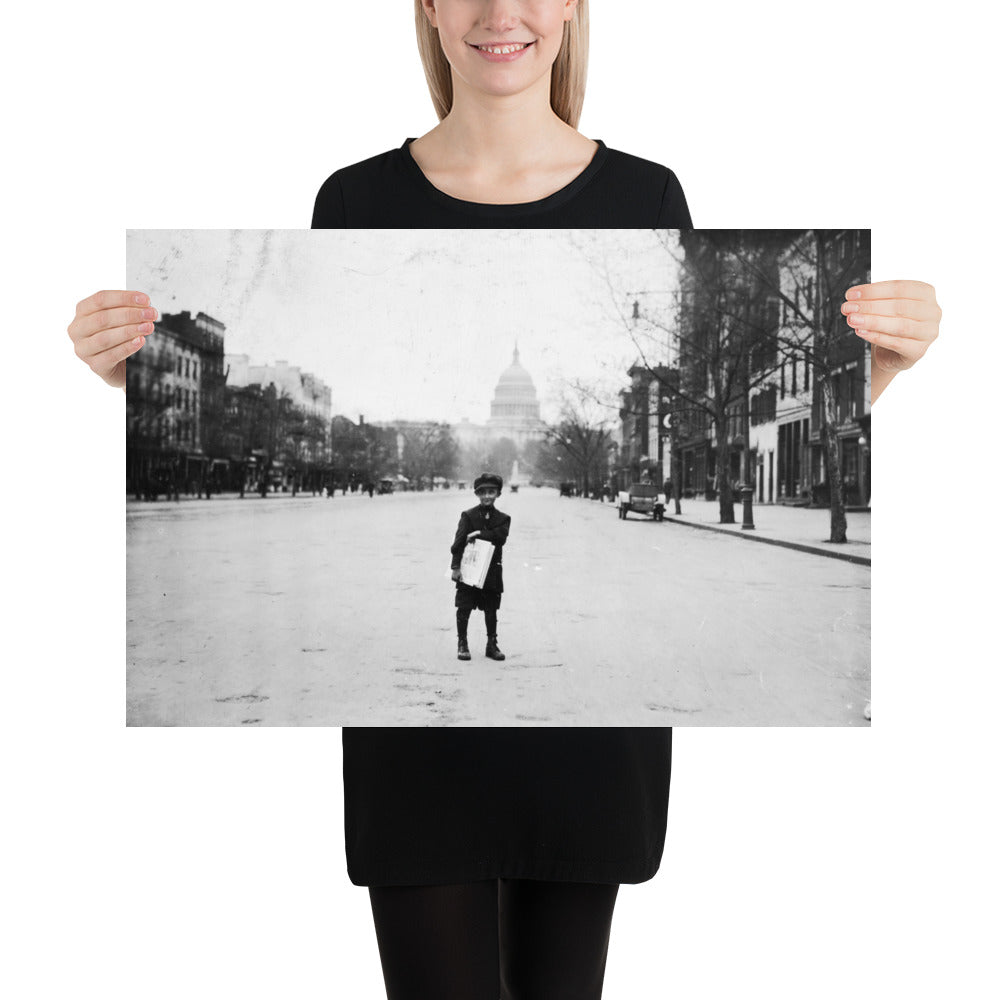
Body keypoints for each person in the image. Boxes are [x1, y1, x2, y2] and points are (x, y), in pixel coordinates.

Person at [66, 2, 939, 996]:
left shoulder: (651, 191)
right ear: (427, 10)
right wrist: (119, 390)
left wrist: (884, 370)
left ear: (572, 4)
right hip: (413, 757)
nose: (500, 10)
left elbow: (733, 391)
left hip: (589, 748)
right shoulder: (350, 200)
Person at [450, 472, 511, 661]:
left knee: (491, 608)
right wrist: (455, 567)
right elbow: (458, 543)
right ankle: (462, 643)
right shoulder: (467, 516)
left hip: (491, 570)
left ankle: (491, 645)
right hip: (469, 568)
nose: (487, 496)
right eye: (483, 492)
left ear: (498, 494)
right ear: (477, 493)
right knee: (464, 606)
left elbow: (500, 538)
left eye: (491, 492)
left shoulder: (503, 518)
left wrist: (478, 534)